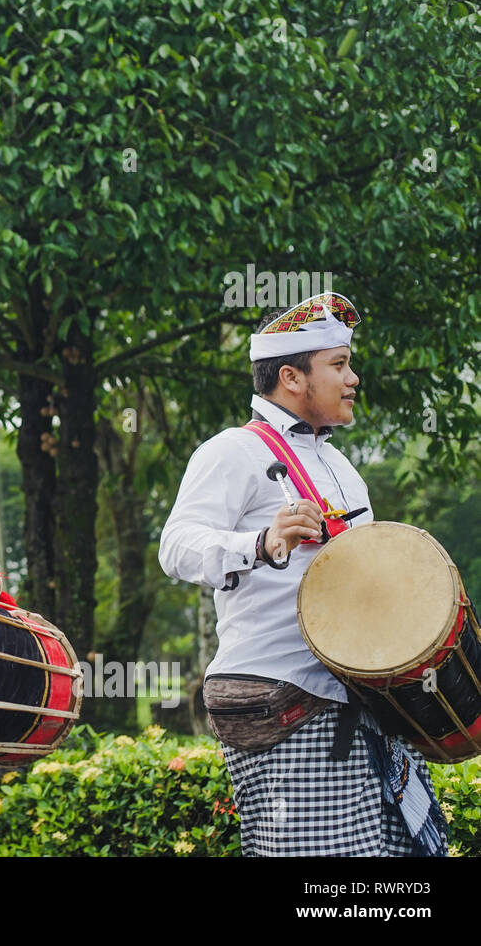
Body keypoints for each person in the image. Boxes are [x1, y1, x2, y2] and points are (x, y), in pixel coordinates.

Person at [158, 292, 446, 856]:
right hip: (286, 699)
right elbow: (177, 547)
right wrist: (260, 542)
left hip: (359, 698)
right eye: (338, 366)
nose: (353, 378)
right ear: (291, 376)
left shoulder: (340, 466)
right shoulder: (231, 451)